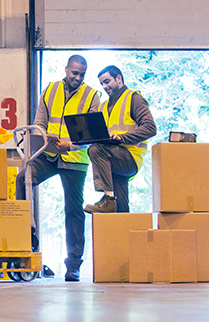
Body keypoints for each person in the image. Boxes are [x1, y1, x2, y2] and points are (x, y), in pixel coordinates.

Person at [16, 55, 100, 282]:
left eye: (82, 74)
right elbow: (39, 123)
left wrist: (70, 145)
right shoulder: (50, 89)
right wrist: (45, 138)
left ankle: (73, 265)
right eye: (74, 72)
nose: (78, 77)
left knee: (73, 211)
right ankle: (25, 243)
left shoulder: (92, 96)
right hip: (48, 153)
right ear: (66, 69)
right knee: (23, 179)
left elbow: (92, 134)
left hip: (74, 158)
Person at [83, 66, 156, 214]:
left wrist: (122, 138)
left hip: (129, 157)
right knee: (121, 207)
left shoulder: (133, 98)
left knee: (96, 149)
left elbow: (150, 128)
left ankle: (108, 199)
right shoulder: (103, 107)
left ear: (119, 78)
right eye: (102, 83)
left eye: (107, 81)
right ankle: (121, 230)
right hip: (112, 156)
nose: (104, 86)